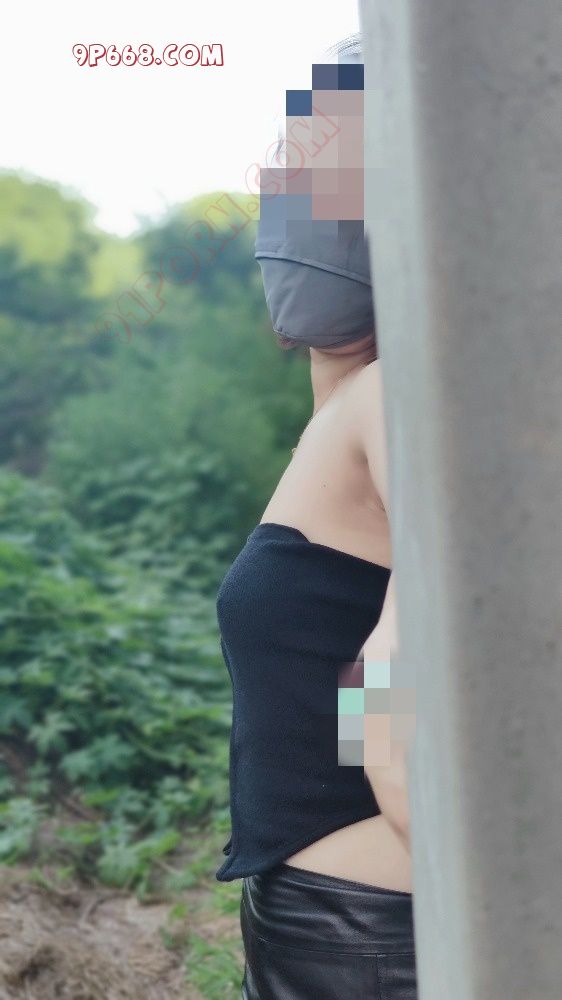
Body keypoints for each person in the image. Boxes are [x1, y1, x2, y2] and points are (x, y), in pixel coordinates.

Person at [215, 34, 419, 1000]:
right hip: (337, 929)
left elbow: (390, 691)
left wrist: (502, 908)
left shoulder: (401, 404)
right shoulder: (355, 400)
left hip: (383, 940)